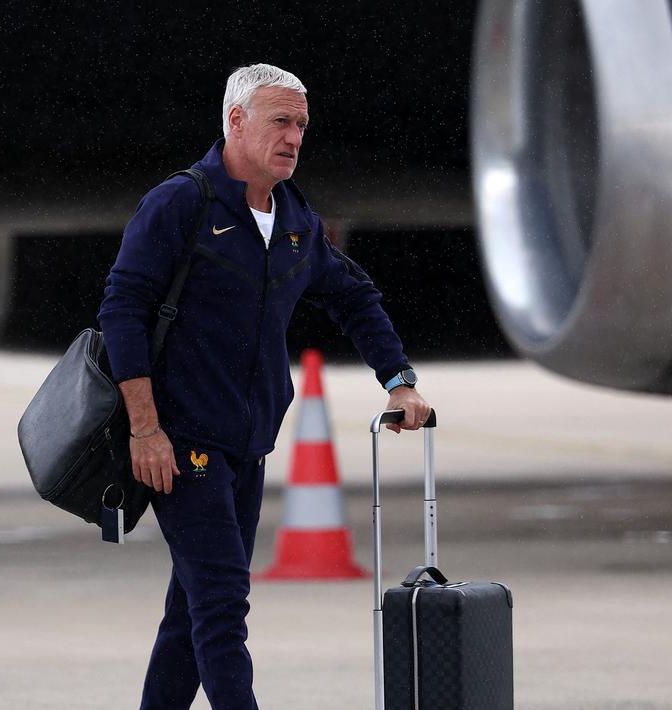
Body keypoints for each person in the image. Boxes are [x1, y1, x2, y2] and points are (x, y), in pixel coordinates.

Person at [97, 63, 432, 710]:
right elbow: (121, 312)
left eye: (301, 125)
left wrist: (398, 381)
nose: (294, 137)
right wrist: (145, 428)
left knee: (189, 615)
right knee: (222, 606)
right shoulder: (180, 203)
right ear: (235, 121)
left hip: (247, 444)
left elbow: (354, 296)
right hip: (181, 443)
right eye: (280, 121)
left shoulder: (295, 215)